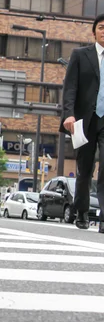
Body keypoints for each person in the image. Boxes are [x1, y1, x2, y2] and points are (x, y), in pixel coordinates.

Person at [61, 13, 104, 233]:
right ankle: (82, 213)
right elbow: (70, 88)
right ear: (94, 31)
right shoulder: (80, 55)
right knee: (85, 169)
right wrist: (69, 114)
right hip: (85, 120)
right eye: (102, 28)